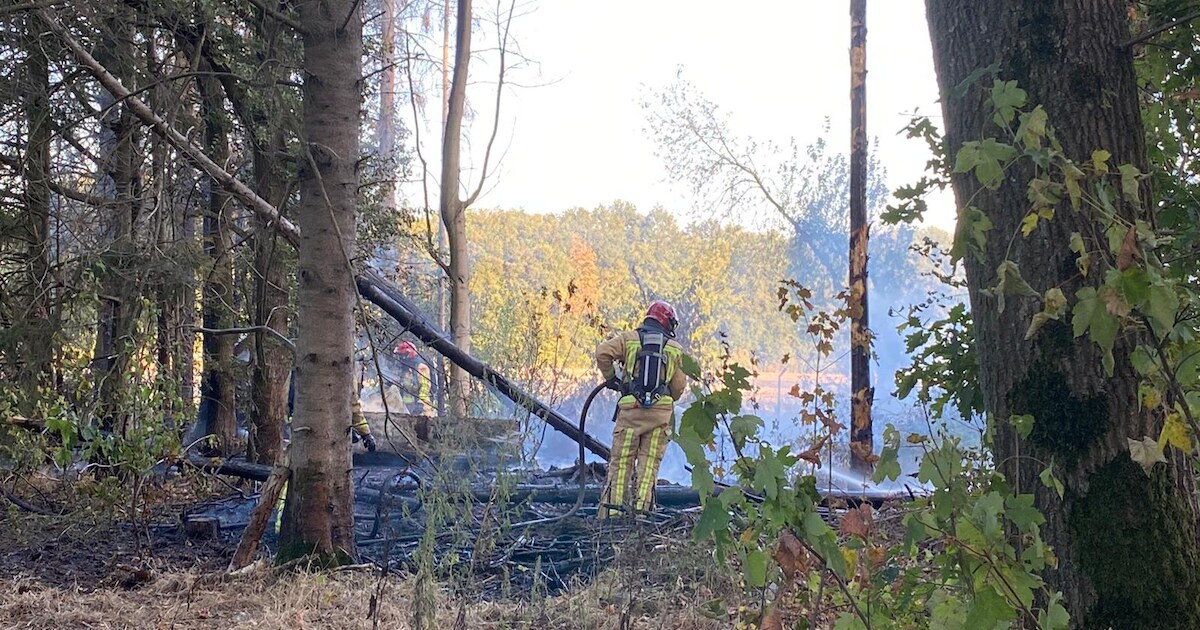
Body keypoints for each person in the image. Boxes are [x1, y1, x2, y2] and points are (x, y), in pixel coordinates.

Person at [594, 300, 688, 518]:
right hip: (659, 417)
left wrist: (613, 380)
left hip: (631, 413)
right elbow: (678, 387)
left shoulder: (629, 339)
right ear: (668, 323)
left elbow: (602, 354)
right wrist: (663, 400)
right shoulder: (675, 349)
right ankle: (643, 516)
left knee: (621, 463)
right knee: (648, 467)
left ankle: (611, 516)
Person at [393, 341, 434, 416]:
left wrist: (421, 403)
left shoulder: (421, 367)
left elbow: (425, 386)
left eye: (402, 355)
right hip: (408, 407)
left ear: (409, 354)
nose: (401, 358)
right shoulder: (405, 369)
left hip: (423, 410)